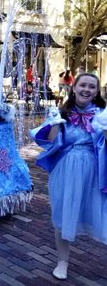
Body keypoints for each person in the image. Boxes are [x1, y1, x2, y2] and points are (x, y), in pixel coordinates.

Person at [30, 72, 107, 280]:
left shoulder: (103, 113)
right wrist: (55, 122)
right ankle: (62, 261)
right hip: (66, 168)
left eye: (92, 86)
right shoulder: (62, 112)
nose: (87, 89)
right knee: (64, 213)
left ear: (96, 91)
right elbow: (52, 143)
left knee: (99, 211)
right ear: (74, 88)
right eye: (83, 85)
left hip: (95, 169)